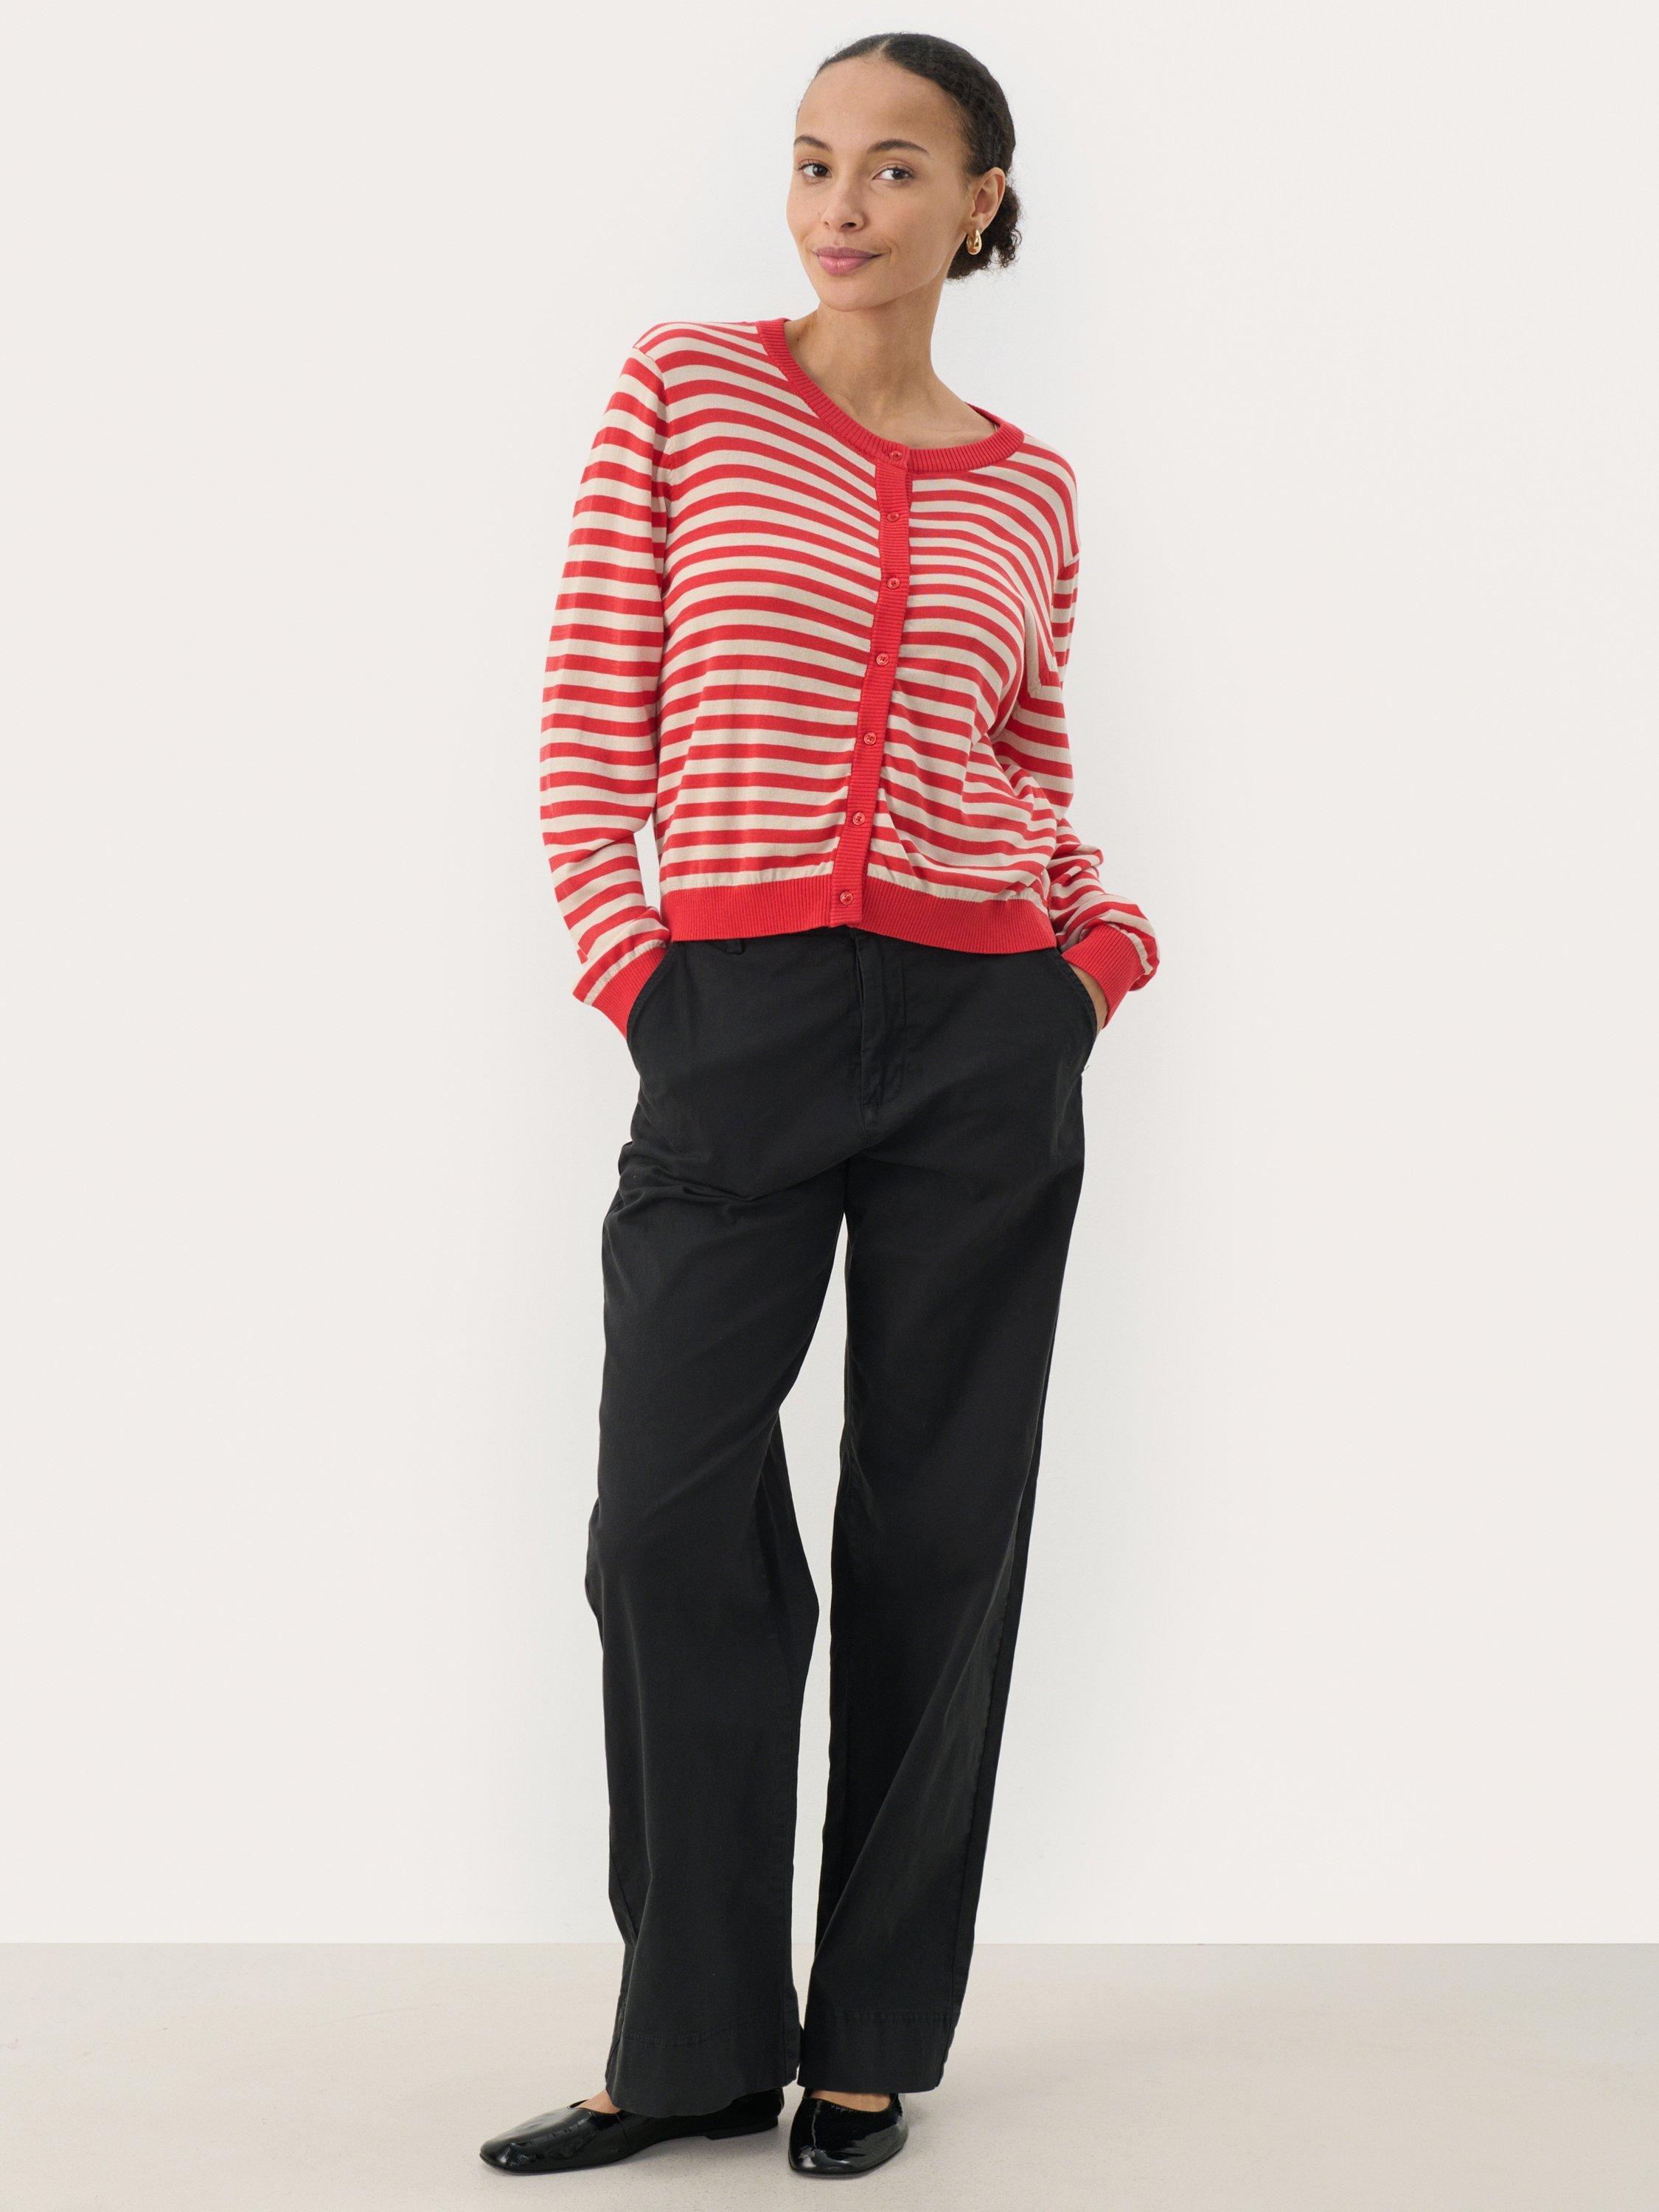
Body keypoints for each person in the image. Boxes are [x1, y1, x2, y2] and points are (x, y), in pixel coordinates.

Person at [481, 29, 1159, 2184]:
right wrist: (640, 974)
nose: (839, 204)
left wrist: (1091, 961)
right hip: (735, 1018)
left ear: (980, 202)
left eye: (891, 167)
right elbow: (591, 720)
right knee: (664, 1516)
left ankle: (868, 2038)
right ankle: (689, 2041)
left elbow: (1028, 763)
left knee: (942, 1523)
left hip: (983, 1028)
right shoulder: (686, 393)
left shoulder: (1031, 487)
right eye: (809, 162)